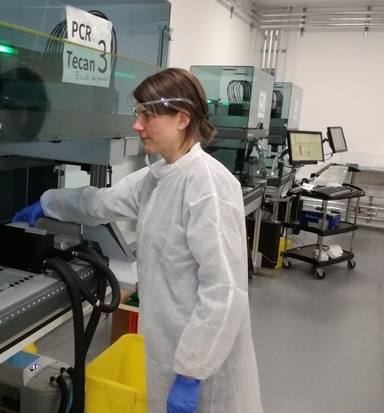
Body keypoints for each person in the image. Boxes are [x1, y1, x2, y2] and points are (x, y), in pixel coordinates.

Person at [13, 67, 263, 413]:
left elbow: (224, 291)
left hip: (206, 369)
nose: (137, 124)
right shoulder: (158, 176)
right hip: (168, 349)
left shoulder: (208, 187)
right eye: (138, 113)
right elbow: (100, 203)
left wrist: (191, 374)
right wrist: (48, 202)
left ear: (181, 118)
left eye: (147, 114)